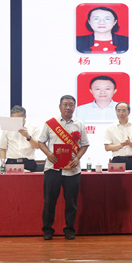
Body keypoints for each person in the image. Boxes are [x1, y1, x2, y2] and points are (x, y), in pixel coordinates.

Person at [37, 95, 90, 240]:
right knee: (49, 201)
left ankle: (69, 230)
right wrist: (48, 154)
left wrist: (77, 158)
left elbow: (85, 144)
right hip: (52, 169)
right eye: (65, 104)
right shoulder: (50, 123)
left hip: (72, 170)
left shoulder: (79, 124)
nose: (68, 107)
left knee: (71, 203)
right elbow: (41, 142)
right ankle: (47, 230)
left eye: (71, 105)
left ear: (74, 107)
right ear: (60, 106)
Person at [0, 105, 40, 172]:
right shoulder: (8, 128)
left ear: (24, 117)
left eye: (18, 119)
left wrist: (28, 137)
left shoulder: (34, 128)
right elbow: (2, 148)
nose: (16, 122)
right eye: (13, 119)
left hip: (28, 163)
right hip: (11, 162)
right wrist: (2, 163)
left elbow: (38, 146)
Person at [104, 102, 132, 170]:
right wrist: (121, 145)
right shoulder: (110, 128)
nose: (121, 113)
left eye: (124, 110)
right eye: (118, 111)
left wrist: (129, 143)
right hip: (117, 161)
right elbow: (107, 147)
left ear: (129, 112)